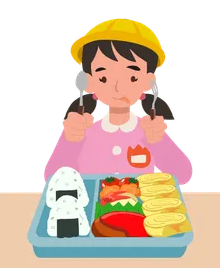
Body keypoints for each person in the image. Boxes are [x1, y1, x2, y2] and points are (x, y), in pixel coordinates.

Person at [42, 15, 194, 186]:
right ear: (88, 81)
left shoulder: (152, 130)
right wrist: (69, 143)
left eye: (132, 77)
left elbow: (183, 177)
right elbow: (51, 180)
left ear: (149, 81)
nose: (117, 88)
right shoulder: (81, 131)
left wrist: (160, 143)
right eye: (104, 77)